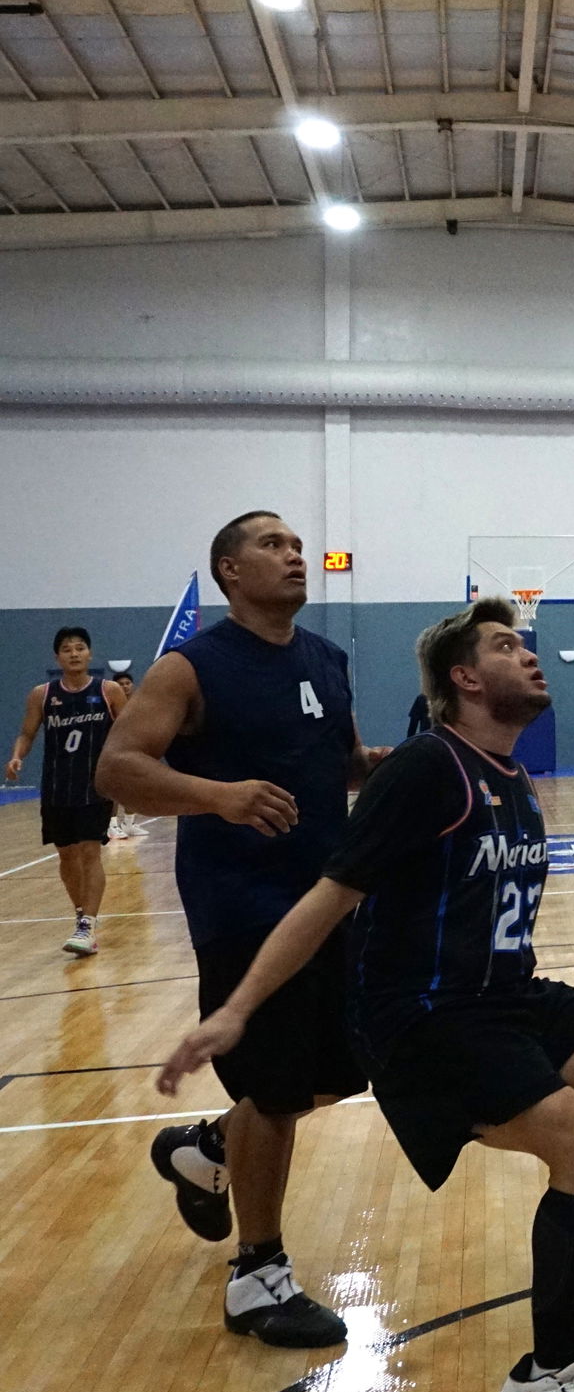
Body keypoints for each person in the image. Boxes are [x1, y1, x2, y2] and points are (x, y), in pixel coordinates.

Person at [156, 598, 574, 1392]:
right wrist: (238, 1008)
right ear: (466, 677)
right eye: (508, 645)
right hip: (422, 1016)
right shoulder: (425, 768)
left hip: (503, 993)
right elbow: (328, 899)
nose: (531, 655)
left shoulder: (508, 775)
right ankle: (541, 1381)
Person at [97, 511, 385, 1348]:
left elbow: (342, 764)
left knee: (344, 1071)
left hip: (325, 900)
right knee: (273, 1088)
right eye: (273, 545)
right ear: (229, 570)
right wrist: (218, 794)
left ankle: (208, 1148)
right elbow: (119, 768)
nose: (295, 556)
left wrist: (393, 768)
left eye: (298, 545)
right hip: (242, 908)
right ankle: (258, 1275)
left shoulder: (327, 660)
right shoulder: (191, 667)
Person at [6, 625, 124, 956]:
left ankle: (88, 924)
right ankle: (80, 914)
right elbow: (27, 733)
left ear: (90, 653)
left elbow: (127, 731)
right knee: (67, 855)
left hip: (95, 787)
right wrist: (17, 757)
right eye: (67, 649)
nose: (74, 653)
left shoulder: (108, 690)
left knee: (90, 852)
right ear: (57, 656)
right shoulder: (42, 694)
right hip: (57, 788)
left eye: (80, 648)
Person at [106, 670, 149, 840]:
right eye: (120, 684)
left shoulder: (139, 704)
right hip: (113, 751)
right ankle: (111, 825)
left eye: (127, 683)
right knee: (114, 790)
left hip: (134, 750)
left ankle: (129, 823)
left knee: (133, 788)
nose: (124, 686)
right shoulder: (108, 705)